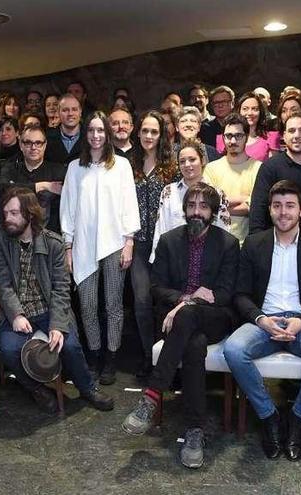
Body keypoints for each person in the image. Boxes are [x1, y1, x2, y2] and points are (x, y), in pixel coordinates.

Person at [121, 182, 240, 470]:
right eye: (191, 206)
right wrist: (186, 298)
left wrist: (194, 304)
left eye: (203, 206)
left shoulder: (228, 244)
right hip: (175, 317)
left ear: (212, 211)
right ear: (184, 210)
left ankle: (152, 395)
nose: (196, 212)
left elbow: (226, 293)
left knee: (188, 318)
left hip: (214, 317)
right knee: (194, 343)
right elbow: (156, 286)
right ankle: (194, 430)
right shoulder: (169, 240)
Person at [224, 180, 301, 461]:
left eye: (290, 206)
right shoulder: (253, 244)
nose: (283, 212)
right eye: (277, 206)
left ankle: (298, 418)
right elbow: (240, 294)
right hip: (263, 323)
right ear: (270, 210)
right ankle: (269, 416)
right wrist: (261, 319)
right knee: (233, 350)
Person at [0, 188, 114, 412]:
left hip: (48, 309)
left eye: (14, 213)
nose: (8, 218)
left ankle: (87, 389)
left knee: (71, 345)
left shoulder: (53, 243)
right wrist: (16, 314)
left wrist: (57, 324)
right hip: (18, 312)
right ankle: (37, 389)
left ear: (29, 215)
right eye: (5, 213)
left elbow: (60, 288)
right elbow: (1, 282)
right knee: (8, 350)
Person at [60, 111, 140, 383]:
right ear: (86, 134)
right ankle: (93, 356)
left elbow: (130, 203)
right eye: (91, 130)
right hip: (82, 246)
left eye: (101, 130)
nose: (96, 135)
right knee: (88, 306)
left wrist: (129, 241)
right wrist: (68, 247)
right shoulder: (74, 168)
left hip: (115, 243)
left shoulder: (121, 165)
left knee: (114, 306)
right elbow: (67, 209)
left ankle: (111, 358)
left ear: (107, 134)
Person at [129, 111, 176, 381]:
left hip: (166, 244)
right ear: (138, 132)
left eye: (154, 132)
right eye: (145, 131)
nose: (148, 136)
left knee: (166, 301)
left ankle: (168, 359)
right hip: (138, 243)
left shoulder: (171, 166)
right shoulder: (128, 164)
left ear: (161, 135)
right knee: (142, 300)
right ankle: (149, 356)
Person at [150, 139, 232, 262]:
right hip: (174, 260)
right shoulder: (169, 192)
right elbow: (161, 228)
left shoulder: (217, 194)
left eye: (192, 159)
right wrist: (157, 259)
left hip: (208, 260)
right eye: (182, 161)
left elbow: (223, 232)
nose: (187, 165)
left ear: (202, 161)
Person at [249, 112, 301, 236]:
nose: (296, 135)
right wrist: (258, 245)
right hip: (278, 245)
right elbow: (258, 211)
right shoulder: (270, 168)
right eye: (291, 131)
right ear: (284, 136)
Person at [203, 113, 262, 242]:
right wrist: (244, 199)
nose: (233, 141)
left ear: (246, 137)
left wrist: (221, 204)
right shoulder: (211, 169)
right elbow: (208, 205)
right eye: (229, 136)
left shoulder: (259, 168)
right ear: (223, 138)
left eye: (238, 136)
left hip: (247, 243)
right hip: (217, 242)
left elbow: (256, 207)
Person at [0, 124, 66, 233]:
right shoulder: (10, 168)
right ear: (21, 145)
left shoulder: (58, 171)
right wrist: (42, 186)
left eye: (38, 143)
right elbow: (5, 190)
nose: (33, 147)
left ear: (45, 145)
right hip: (14, 233)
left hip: (50, 236)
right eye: (28, 143)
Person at [216, 92, 279, 161]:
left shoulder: (271, 137)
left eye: (254, 109)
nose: (250, 113)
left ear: (260, 112)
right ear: (238, 111)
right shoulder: (223, 138)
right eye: (245, 109)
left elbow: (273, 168)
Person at [44, 94, 83, 164]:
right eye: (65, 110)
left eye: (74, 109)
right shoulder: (46, 138)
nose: (70, 113)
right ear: (58, 113)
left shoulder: (90, 137)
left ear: (80, 112)